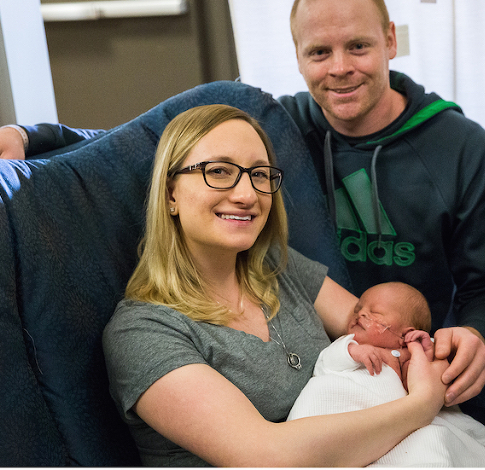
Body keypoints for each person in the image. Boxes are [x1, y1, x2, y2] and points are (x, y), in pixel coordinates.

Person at [0, 0, 485, 407]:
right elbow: (158, 141)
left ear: (391, 41)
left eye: (359, 47)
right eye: (319, 53)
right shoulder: (279, 129)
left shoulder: (462, 148)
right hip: (331, 361)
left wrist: (475, 337)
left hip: (418, 355)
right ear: (297, 56)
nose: (340, 69)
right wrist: (34, 136)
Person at [100, 103, 448, 466]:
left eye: (260, 175)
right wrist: (421, 405)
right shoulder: (142, 333)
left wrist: (444, 348)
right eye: (219, 171)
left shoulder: (278, 266)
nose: (248, 195)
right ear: (171, 193)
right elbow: (267, 456)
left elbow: (387, 332)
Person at [287, 281, 485, 467]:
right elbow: (325, 366)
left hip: (401, 429)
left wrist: (426, 353)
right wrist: (353, 351)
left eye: (375, 314)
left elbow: (428, 386)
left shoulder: (411, 354)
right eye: (358, 309)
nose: (360, 314)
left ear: (406, 334)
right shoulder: (348, 346)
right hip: (349, 421)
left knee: (431, 442)